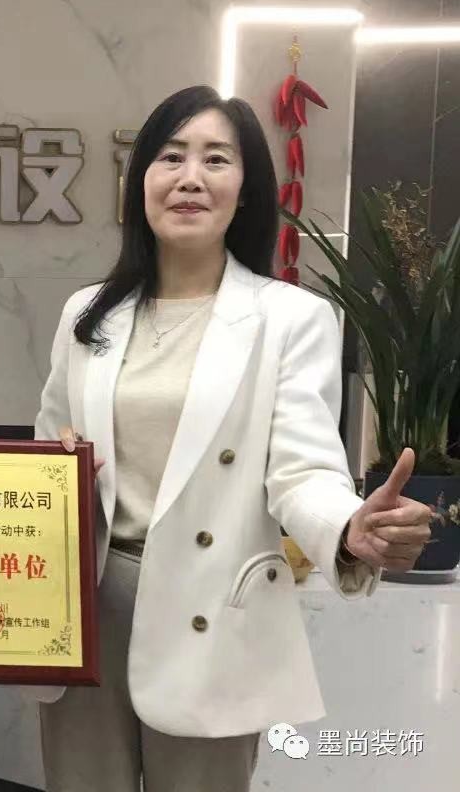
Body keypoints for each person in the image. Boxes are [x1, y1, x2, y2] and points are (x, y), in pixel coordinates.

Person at [32, 85, 433, 792]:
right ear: (140, 182)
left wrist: (350, 528)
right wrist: (57, 468)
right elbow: (46, 453)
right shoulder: (86, 314)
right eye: (170, 157)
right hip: (85, 609)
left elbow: (302, 471)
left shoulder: (291, 318)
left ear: (245, 191)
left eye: (216, 159)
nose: (190, 177)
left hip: (210, 611)